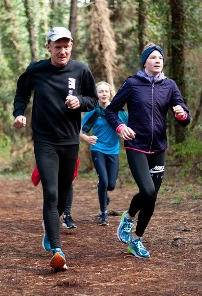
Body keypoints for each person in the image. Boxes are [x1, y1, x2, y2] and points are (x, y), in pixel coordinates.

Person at [13, 27, 97, 271]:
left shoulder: (81, 70)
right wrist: (19, 113)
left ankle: (50, 228)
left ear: (71, 46)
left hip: (70, 140)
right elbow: (22, 92)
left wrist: (79, 102)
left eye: (66, 46)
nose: (62, 50)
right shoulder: (36, 70)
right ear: (48, 47)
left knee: (63, 191)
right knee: (50, 192)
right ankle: (57, 249)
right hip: (44, 140)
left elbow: (92, 99)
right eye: (57, 46)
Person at [105, 43, 190, 258]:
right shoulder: (132, 84)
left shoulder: (170, 86)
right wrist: (121, 127)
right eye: (152, 57)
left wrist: (182, 114)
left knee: (151, 197)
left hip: (158, 147)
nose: (157, 60)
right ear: (145, 62)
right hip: (136, 145)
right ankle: (129, 216)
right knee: (148, 191)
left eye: (160, 57)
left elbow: (184, 117)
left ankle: (137, 240)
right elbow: (111, 110)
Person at [80, 81, 128, 226]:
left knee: (111, 184)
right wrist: (87, 138)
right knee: (104, 181)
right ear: (97, 95)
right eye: (100, 92)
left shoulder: (118, 111)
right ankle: (103, 215)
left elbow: (130, 126)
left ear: (110, 94)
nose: (103, 94)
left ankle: (103, 190)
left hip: (113, 150)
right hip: (98, 149)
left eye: (106, 91)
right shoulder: (93, 111)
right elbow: (80, 130)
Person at [31, 159, 80, 229]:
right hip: (51, 156)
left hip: (66, 154)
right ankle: (49, 217)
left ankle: (67, 216)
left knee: (68, 183)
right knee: (52, 188)